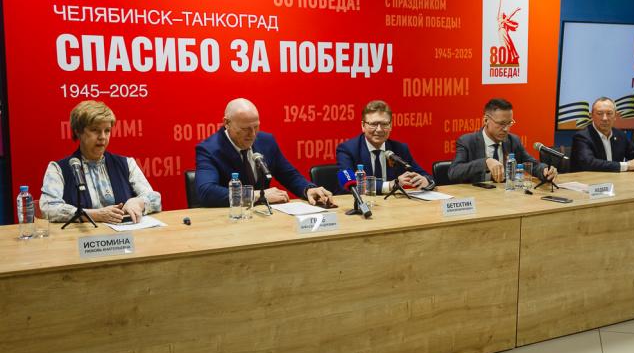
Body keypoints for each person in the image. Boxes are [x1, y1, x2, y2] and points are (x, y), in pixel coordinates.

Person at [195, 98, 333, 206]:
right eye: (245, 129)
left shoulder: (266, 141)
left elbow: (289, 175)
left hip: (264, 217)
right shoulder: (209, 149)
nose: (253, 134)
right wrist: (257, 195)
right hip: (230, 219)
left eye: (256, 127)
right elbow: (206, 192)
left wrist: (308, 189)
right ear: (227, 123)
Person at [40, 100, 161, 223]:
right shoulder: (58, 168)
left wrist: (138, 202)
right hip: (82, 235)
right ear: (78, 131)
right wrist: (94, 215)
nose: (102, 137)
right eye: (95, 130)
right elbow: (48, 208)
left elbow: (155, 199)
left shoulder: (127, 163)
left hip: (125, 234)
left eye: (107, 130)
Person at [448, 98, 557, 184]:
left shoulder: (513, 140)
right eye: (501, 123)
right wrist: (485, 162)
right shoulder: (467, 141)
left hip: (506, 197)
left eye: (509, 123)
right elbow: (454, 172)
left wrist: (545, 170)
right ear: (486, 120)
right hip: (477, 198)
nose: (506, 129)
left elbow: (532, 164)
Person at [336, 100, 433, 194]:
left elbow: (426, 176)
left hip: (392, 204)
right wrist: (390, 185)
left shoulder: (399, 149)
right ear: (363, 126)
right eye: (373, 124)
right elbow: (348, 185)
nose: (379, 129)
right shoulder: (348, 149)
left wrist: (425, 180)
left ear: (390, 125)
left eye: (384, 124)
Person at [571, 97, 634, 172]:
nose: (605, 118)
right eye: (599, 113)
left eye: (609, 113)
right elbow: (589, 163)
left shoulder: (620, 135)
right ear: (592, 116)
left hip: (615, 178)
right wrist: (626, 165)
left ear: (615, 116)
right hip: (588, 179)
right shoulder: (582, 137)